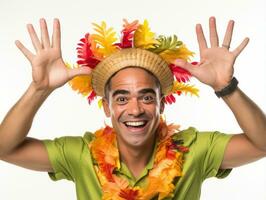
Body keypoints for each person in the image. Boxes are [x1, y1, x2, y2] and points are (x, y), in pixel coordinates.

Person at [0, 17, 265, 200]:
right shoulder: (80, 155)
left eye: (147, 98)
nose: (135, 109)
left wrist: (226, 87)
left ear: (161, 104)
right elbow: (5, 148)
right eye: (122, 98)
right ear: (107, 106)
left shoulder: (193, 149)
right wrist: (39, 89)